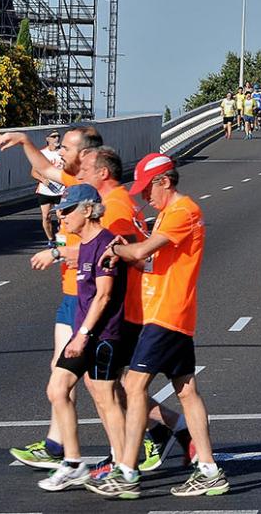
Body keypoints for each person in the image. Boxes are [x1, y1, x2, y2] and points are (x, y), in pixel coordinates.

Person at [87, 154, 228, 499]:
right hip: (171, 312)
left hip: (166, 313)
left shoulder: (182, 211)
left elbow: (144, 250)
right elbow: (152, 263)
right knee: (186, 390)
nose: (142, 196)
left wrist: (118, 250)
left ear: (165, 180)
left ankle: (127, 471)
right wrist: (128, 257)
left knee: (133, 385)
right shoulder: (168, 213)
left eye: (147, 189)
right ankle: (209, 469)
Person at [35, 184, 130, 491]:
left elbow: (103, 297)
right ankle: (74, 463)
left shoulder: (104, 244)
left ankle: (123, 465)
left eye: (67, 211)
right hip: (83, 334)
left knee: (106, 398)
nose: (61, 218)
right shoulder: (85, 245)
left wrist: (83, 335)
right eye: (60, 211)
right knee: (57, 388)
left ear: (87, 210)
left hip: (102, 335)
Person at [37, 131, 66, 241]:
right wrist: (42, 179)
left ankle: (61, 240)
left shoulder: (63, 152)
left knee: (61, 217)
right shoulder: (42, 153)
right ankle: (50, 240)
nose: (57, 138)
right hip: (45, 191)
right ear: (47, 139)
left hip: (61, 190)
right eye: (53, 137)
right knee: (46, 217)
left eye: (58, 136)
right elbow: (34, 172)